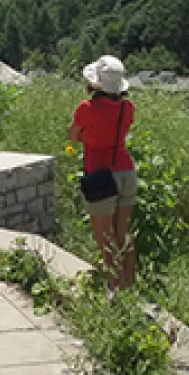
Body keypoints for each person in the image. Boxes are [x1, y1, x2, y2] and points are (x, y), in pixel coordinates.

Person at [70, 55, 138, 291]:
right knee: (123, 231)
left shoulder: (86, 108)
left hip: (100, 174)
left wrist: (89, 138)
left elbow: (73, 136)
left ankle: (113, 285)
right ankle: (128, 282)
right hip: (126, 171)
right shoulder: (128, 108)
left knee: (105, 236)